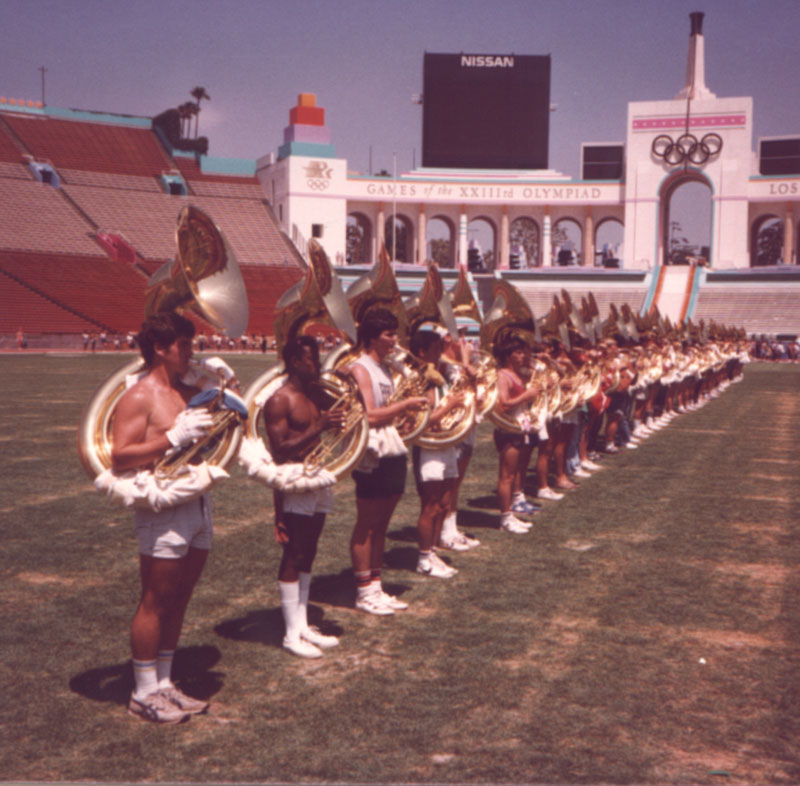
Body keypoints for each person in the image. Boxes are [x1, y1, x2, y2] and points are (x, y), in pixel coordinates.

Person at [111, 311, 218, 724]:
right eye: (185, 344)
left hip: (195, 501)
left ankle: (164, 682)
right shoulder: (139, 395)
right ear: (160, 347)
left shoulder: (181, 389)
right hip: (162, 506)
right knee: (155, 600)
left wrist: (222, 382)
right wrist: (171, 438)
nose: (191, 352)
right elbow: (120, 454)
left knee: (181, 595)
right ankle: (143, 691)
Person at [263, 335, 346, 658]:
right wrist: (321, 426)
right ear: (296, 361)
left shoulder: (315, 394)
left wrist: (348, 382)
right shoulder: (279, 400)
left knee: (309, 550)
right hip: (295, 478)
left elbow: (351, 412)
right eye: (313, 358)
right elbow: (280, 450)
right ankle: (290, 633)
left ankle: (302, 623)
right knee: (294, 553)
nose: (319, 363)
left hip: (319, 476)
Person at [348, 308, 427, 615]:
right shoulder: (361, 368)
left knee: (381, 525)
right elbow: (368, 414)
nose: (395, 340)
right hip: (372, 452)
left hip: (391, 449)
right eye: (389, 334)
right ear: (372, 337)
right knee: (367, 524)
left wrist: (406, 413)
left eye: (395, 333)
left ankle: (375, 587)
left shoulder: (385, 369)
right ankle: (363, 591)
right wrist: (404, 404)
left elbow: (387, 411)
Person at [409, 328, 465, 578]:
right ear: (423, 352)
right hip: (429, 449)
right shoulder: (418, 381)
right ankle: (423, 558)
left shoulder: (437, 378)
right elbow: (421, 421)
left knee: (443, 504)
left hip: (446, 445)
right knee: (430, 505)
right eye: (435, 350)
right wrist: (450, 407)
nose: (441, 355)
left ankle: (432, 552)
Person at [493, 335, 541, 534]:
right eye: (519, 353)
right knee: (506, 476)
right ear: (508, 355)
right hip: (508, 430)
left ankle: (510, 514)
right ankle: (505, 517)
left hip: (518, 427)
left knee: (513, 474)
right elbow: (502, 404)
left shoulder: (516, 373)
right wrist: (526, 396)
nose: (523, 356)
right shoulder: (503, 375)